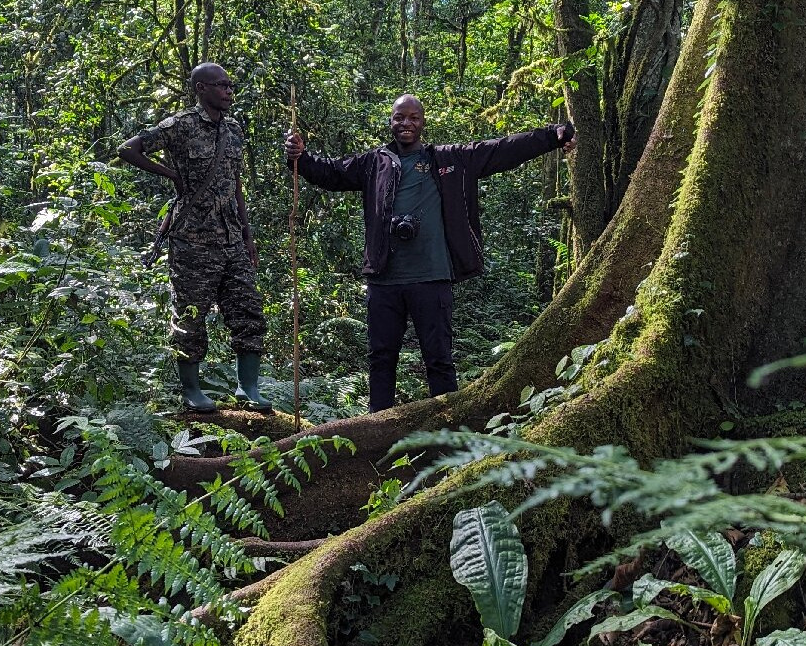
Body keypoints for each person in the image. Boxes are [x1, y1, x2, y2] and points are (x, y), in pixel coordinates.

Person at [284, 94, 577, 412]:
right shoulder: (374, 164)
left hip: (432, 277)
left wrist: (553, 135)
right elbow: (331, 173)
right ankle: (378, 428)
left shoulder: (449, 160)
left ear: (423, 122)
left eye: (413, 118)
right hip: (384, 279)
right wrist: (300, 156)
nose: (405, 123)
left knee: (438, 359)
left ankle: (448, 431)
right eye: (399, 118)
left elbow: (501, 149)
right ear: (391, 122)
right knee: (382, 358)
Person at [119, 63, 272, 413]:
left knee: (247, 310)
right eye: (222, 86)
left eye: (231, 86)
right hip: (193, 240)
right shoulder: (180, 125)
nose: (229, 92)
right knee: (190, 316)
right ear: (201, 88)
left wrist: (248, 235)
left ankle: (248, 388)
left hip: (232, 239)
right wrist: (171, 174)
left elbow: (236, 185)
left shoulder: (233, 129)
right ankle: (192, 391)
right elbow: (127, 149)